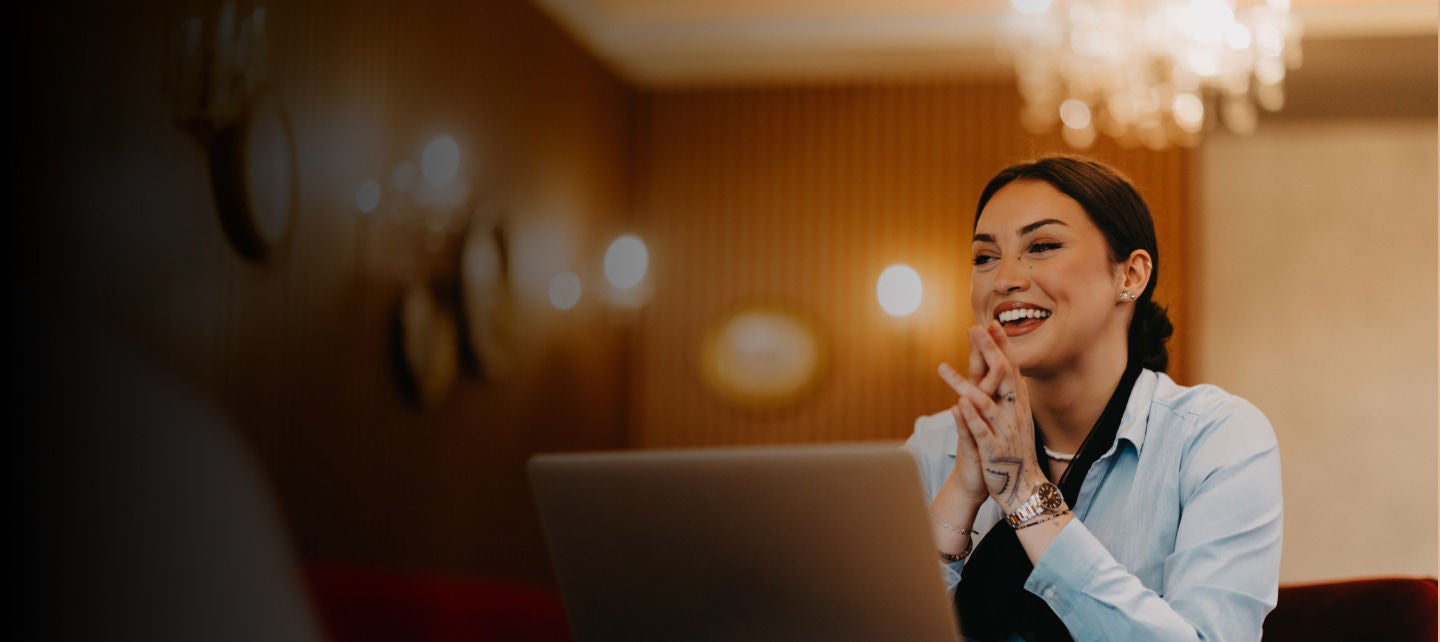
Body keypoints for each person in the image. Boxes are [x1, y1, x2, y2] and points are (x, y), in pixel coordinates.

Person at [904, 155, 1282, 641]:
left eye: (1041, 246)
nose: (1003, 280)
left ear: (1130, 276)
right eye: (984, 256)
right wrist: (958, 495)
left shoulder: (1217, 438)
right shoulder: (935, 446)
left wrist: (1025, 495)